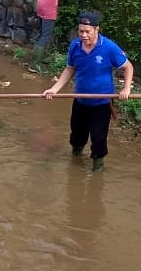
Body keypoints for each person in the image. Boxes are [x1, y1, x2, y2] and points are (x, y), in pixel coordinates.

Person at [42, 11, 134, 172]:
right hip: (80, 100)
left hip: (101, 103)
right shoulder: (75, 46)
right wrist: (54, 89)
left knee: (98, 138)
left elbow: (128, 67)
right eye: (80, 31)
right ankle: (75, 158)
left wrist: (126, 88)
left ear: (96, 29)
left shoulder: (108, 47)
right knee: (77, 134)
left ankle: (97, 168)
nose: (83, 35)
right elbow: (70, 69)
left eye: (87, 31)